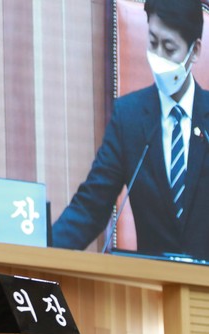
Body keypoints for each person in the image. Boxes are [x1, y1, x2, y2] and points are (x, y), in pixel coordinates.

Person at [52, 0, 209, 260]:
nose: (158, 57)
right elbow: (90, 207)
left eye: (169, 48)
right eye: (153, 43)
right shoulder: (129, 117)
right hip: (148, 281)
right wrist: (38, 255)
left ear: (194, 51)